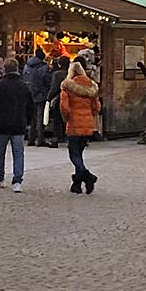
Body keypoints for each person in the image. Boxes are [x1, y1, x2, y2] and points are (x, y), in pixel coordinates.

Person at [0, 57, 32, 193]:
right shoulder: (24, 86)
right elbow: (30, 107)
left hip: (2, 124)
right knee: (18, 153)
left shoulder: (0, 85)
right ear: (17, 69)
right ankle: (17, 181)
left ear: (5, 69)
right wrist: (28, 121)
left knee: (0, 152)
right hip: (18, 124)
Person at [59, 59, 101, 195]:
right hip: (87, 124)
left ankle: (88, 177)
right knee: (79, 154)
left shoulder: (67, 86)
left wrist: (67, 118)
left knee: (73, 155)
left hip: (74, 124)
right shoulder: (91, 87)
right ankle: (76, 185)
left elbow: (64, 107)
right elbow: (97, 107)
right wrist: (90, 115)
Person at [22, 55, 53, 147]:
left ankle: (31, 138)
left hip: (30, 93)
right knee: (40, 117)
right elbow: (47, 81)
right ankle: (40, 139)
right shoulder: (44, 68)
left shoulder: (27, 66)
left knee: (33, 118)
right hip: (41, 94)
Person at [47, 55, 71, 147]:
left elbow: (54, 88)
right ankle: (69, 138)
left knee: (57, 119)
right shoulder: (72, 74)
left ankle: (55, 139)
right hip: (70, 98)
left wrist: (49, 97)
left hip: (60, 98)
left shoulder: (57, 74)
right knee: (68, 119)